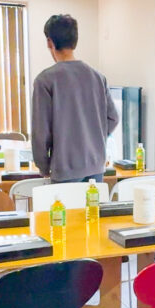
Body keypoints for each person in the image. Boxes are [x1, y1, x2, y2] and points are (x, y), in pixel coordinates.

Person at [31, 14, 118, 183]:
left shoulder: (45, 80)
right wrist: (93, 136)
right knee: (92, 210)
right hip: (96, 166)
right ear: (75, 41)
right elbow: (113, 118)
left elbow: (41, 132)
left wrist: (43, 165)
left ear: (50, 42)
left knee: (64, 210)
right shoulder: (98, 77)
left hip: (65, 169)